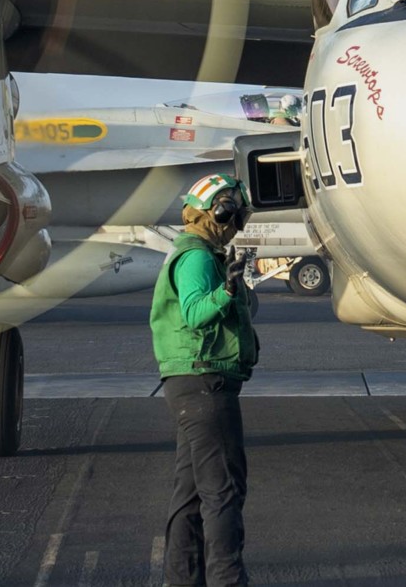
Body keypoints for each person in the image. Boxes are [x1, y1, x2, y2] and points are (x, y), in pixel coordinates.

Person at [151, 173, 260, 587]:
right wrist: (227, 293)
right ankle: (227, 579)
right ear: (219, 211)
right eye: (234, 215)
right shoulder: (196, 256)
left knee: (192, 491)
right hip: (204, 384)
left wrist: (237, 289)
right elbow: (196, 313)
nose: (236, 224)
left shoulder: (199, 253)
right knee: (223, 490)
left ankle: (182, 579)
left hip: (189, 383)